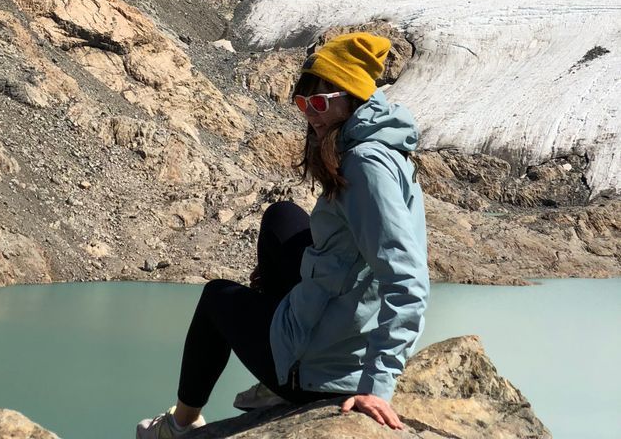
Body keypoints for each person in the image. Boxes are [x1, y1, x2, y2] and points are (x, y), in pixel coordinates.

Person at [136, 32, 429, 437]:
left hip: (324, 371)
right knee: (282, 217)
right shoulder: (379, 140)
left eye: (322, 102)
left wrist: (376, 387)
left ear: (355, 98)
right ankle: (278, 344)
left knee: (216, 298)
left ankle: (180, 424)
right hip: (341, 319)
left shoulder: (365, 166)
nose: (311, 113)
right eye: (304, 102)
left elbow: (407, 280)